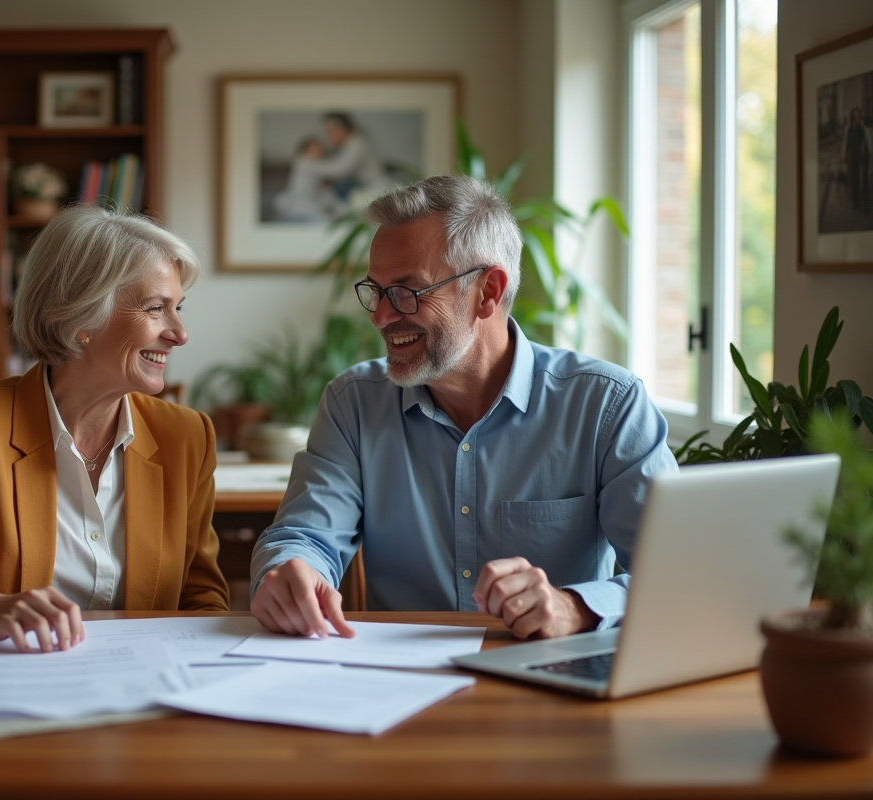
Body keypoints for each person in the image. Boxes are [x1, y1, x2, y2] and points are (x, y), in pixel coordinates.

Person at [250, 175, 678, 641]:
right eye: (376, 291)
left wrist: (574, 607)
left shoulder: (606, 406)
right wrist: (291, 572)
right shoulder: (353, 404)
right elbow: (303, 537)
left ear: (487, 292)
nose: (380, 317)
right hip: (395, 676)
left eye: (407, 292)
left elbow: (680, 572)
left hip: (550, 672)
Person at [0, 205, 229, 652]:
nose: (180, 334)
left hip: (146, 676)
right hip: (5, 673)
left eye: (177, 308)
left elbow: (202, 598)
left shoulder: (187, 437)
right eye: (156, 309)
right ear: (81, 317)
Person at [312, 112, 392, 200]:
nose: (328, 137)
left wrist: (309, 165)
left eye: (329, 132)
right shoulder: (347, 145)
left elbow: (340, 169)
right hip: (365, 187)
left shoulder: (357, 143)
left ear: (342, 129)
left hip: (376, 188)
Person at [272, 137, 346, 222]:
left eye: (320, 149)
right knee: (324, 220)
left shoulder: (317, 165)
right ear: (304, 151)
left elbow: (325, 191)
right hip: (300, 203)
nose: (318, 152)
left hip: (314, 200)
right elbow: (335, 170)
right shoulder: (304, 162)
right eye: (314, 149)